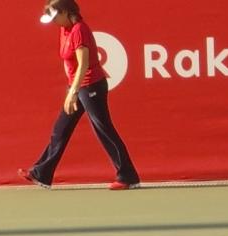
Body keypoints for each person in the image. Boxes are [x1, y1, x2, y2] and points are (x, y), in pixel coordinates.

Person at [17, 0, 140, 190]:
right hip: (77, 85)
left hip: (91, 85)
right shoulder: (64, 29)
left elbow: (84, 64)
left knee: (103, 129)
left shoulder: (79, 30)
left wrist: (73, 91)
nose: (53, 21)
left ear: (66, 12)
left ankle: (128, 177)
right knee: (61, 129)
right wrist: (72, 88)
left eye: (55, 16)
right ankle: (42, 172)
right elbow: (69, 63)